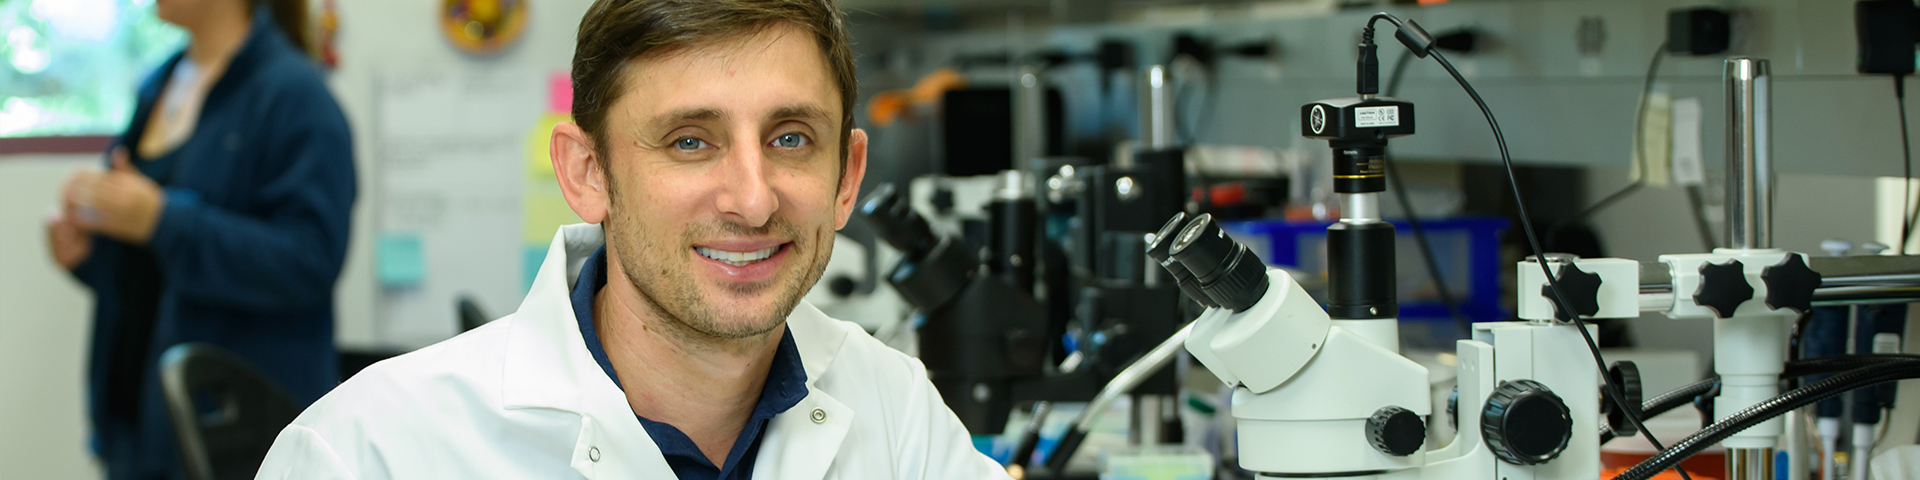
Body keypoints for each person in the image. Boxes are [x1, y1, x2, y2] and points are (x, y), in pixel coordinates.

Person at [254, 0, 1009, 478]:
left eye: (789, 137)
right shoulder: (370, 451)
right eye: (689, 141)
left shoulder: (896, 409)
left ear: (846, 178)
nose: (751, 199)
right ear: (587, 174)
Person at [43, 0, 355, 478]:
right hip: (137, 426)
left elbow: (309, 261)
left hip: (235, 440)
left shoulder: (296, 96)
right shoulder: (158, 84)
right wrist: (88, 253)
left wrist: (163, 221)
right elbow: (149, 270)